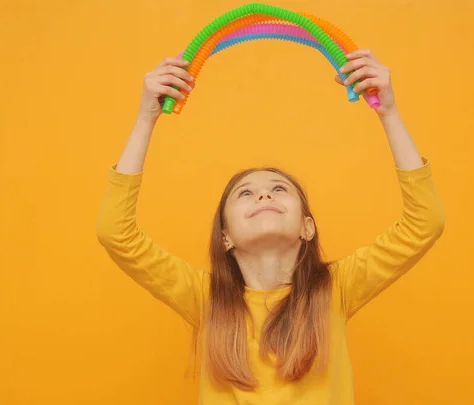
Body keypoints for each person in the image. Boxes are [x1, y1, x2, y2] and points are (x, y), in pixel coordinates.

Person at [96, 49, 445, 405]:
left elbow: (424, 222)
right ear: (225, 236)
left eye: (279, 189)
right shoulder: (206, 299)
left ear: (307, 228)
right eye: (245, 193)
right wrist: (145, 119)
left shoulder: (336, 289)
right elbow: (116, 232)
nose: (264, 196)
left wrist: (388, 112)